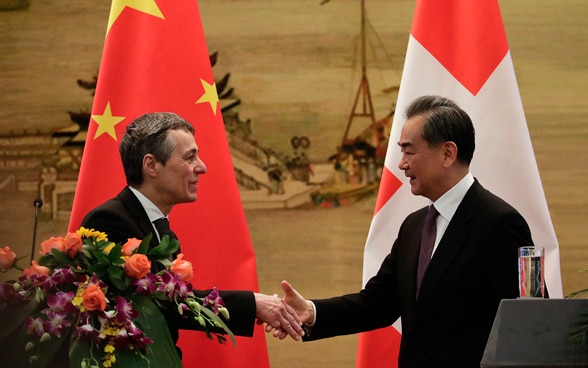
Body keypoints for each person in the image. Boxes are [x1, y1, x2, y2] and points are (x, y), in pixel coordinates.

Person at [272, 95, 542, 367]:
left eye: (409, 151)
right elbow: (379, 303)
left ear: (448, 153)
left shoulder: (500, 223)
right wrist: (310, 310)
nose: (401, 164)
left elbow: (531, 326)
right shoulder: (414, 225)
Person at [81, 112, 304, 357]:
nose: (202, 167)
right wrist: (252, 305)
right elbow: (158, 303)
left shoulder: (159, 227)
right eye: (190, 157)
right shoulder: (109, 221)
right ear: (152, 165)